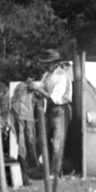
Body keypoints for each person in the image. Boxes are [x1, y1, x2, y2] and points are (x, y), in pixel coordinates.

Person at [36, 49, 73, 177]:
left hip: (61, 110)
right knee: (42, 139)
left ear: (55, 63)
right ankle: (44, 169)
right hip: (50, 110)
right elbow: (41, 87)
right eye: (45, 63)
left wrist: (38, 90)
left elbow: (54, 98)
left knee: (57, 143)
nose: (46, 66)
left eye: (48, 63)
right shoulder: (46, 75)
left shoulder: (62, 76)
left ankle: (56, 172)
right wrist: (34, 87)